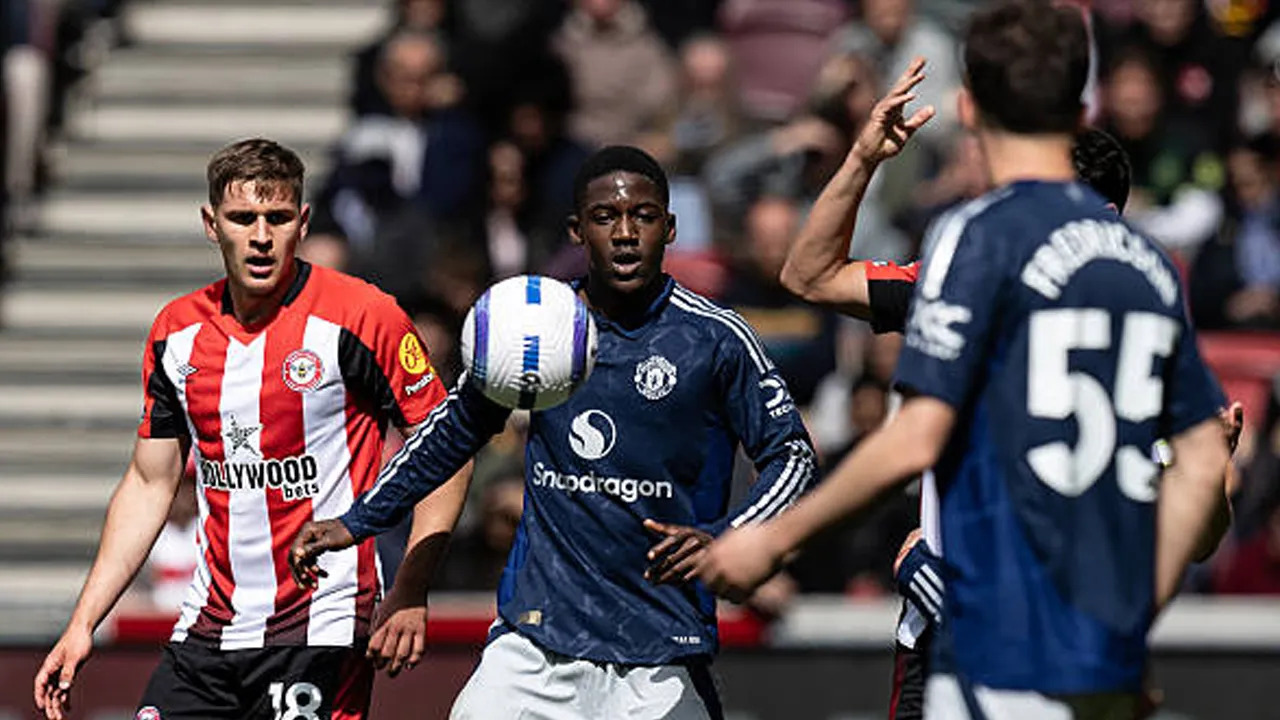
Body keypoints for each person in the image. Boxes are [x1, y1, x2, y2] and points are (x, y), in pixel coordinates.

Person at [696, 2, 1233, 717]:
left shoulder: (978, 242)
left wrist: (771, 540)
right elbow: (1204, 483)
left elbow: (911, 431)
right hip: (1093, 657)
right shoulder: (1149, 269)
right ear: (1078, 107)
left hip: (980, 650)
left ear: (969, 106)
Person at [289, 145, 817, 719]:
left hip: (661, 651)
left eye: (642, 217)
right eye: (605, 217)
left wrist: (730, 533)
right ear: (576, 230)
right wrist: (357, 520)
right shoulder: (535, 325)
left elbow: (792, 455)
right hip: (537, 643)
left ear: (669, 229)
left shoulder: (713, 338)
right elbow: (450, 432)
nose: (624, 233)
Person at [33, 139, 472, 720]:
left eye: (278, 218)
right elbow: (148, 483)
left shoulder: (361, 315)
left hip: (322, 624)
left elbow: (447, 449)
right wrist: (82, 623)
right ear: (212, 225)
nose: (261, 236)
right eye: (243, 219)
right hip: (208, 626)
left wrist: (413, 587)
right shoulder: (176, 332)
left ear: (303, 222)